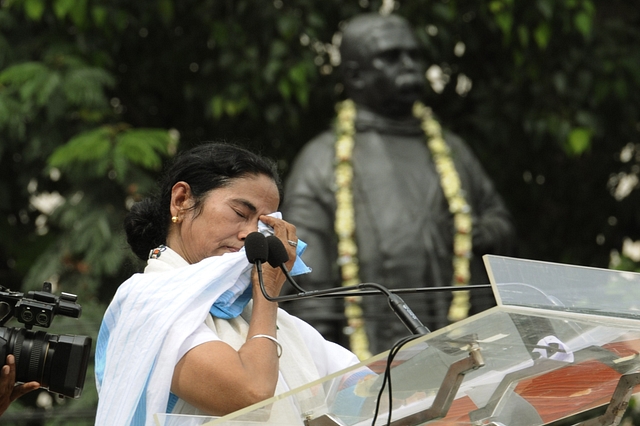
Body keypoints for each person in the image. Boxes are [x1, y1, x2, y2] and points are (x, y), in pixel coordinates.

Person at [281, 13, 516, 359]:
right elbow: (306, 276)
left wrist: (480, 233)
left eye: (414, 55)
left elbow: (499, 221)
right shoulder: (322, 159)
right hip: (370, 360)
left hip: (464, 343)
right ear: (355, 75)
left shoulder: (451, 151)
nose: (409, 65)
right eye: (391, 57)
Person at [94, 143, 364, 426]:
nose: (251, 235)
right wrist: (267, 293)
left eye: (263, 226)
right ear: (182, 199)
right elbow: (251, 393)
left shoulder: (257, 316)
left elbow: (364, 386)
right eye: (239, 213)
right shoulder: (146, 301)